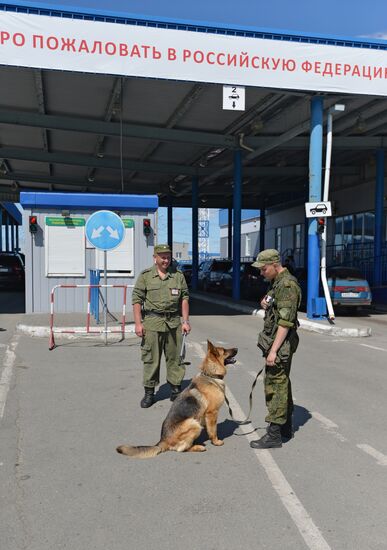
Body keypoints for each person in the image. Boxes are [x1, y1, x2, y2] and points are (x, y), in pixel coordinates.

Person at [249, 249, 301, 449]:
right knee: (282, 383)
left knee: (275, 386)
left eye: (263, 269)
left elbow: (285, 323)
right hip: (275, 342)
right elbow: (272, 302)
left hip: (280, 345)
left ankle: (274, 435)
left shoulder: (287, 285)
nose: (261, 273)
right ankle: (285, 426)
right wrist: (264, 302)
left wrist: (273, 351)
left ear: (274, 265)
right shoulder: (277, 282)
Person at [132, 244, 191, 408]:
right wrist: (138, 324)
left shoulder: (177, 276)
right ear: (155, 258)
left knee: (176, 359)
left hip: (173, 324)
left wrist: (185, 321)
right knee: (151, 359)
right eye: (162, 257)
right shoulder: (145, 276)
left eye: (168, 257)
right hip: (152, 323)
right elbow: (137, 300)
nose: (166, 260)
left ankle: (176, 390)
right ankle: (149, 393)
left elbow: (184, 298)